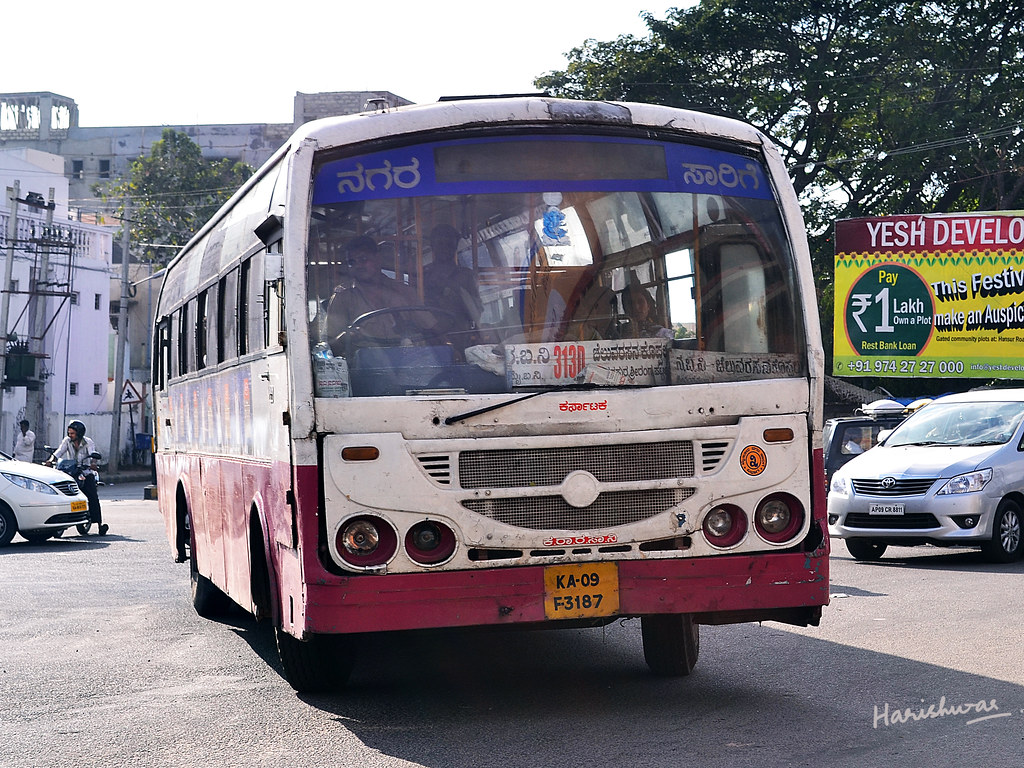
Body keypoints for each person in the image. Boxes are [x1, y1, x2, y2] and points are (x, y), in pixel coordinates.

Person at [324, 236, 421, 354]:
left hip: (408, 362)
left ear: (378, 258)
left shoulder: (404, 292)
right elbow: (329, 348)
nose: (358, 266)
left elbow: (431, 329)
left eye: (363, 259)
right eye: (352, 262)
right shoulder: (343, 297)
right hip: (364, 367)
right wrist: (346, 337)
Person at [422, 224, 483, 339]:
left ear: (455, 247)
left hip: (460, 334)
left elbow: (476, 310)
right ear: (432, 246)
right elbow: (417, 309)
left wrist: (456, 290)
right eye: (440, 244)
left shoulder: (467, 276)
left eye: (449, 244)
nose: (444, 248)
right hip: (430, 338)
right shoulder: (423, 276)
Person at [47, 420, 106, 536]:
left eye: (72, 433)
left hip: (85, 472)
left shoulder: (88, 442)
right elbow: (58, 452)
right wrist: (50, 461)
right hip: (70, 471)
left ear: (79, 434)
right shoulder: (67, 441)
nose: (70, 435)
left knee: (92, 495)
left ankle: (99, 524)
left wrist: (93, 463)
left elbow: (93, 454)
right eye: (69, 433)